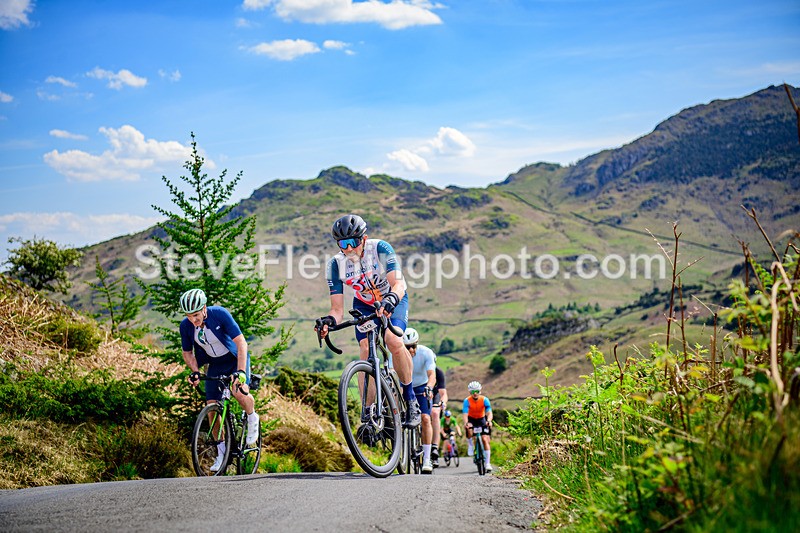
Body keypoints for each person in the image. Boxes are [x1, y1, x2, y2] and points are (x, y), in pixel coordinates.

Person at [315, 214, 421, 429]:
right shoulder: (336, 265)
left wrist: (391, 299)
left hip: (393, 298)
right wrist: (328, 321)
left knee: (392, 340)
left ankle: (411, 401)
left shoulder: (380, 248)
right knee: (365, 349)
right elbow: (337, 310)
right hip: (365, 304)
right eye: (342, 244)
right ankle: (369, 413)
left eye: (352, 242)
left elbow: (398, 284)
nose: (348, 249)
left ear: (364, 239)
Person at [180, 288, 260, 472]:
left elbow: (241, 343)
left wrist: (240, 371)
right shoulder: (186, 326)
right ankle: (221, 451)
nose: (193, 319)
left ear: (204, 308)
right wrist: (195, 371)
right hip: (215, 363)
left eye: (196, 314)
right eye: (189, 316)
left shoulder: (220, 314)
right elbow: (187, 352)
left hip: (234, 359)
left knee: (238, 391)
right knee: (211, 409)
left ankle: (251, 416)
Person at [403, 327, 437, 473]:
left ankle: (427, 458)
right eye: (407, 347)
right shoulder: (396, 354)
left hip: (422, 387)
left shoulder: (426, 353)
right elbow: (391, 374)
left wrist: (429, 387)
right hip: (404, 386)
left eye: (413, 346)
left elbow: (432, 375)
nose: (411, 350)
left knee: (425, 419)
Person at [463, 380, 493, 472]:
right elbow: (465, 413)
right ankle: (470, 445)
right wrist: (466, 423)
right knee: (469, 430)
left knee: (484, 439)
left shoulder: (484, 400)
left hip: (481, 419)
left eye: (477, 391)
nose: (475, 394)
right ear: (470, 392)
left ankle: (487, 463)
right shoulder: (467, 401)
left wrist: (489, 420)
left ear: (480, 391)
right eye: (472, 392)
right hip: (471, 418)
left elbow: (489, 412)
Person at [430, 360, 447, 468]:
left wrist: (443, 403)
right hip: (419, 393)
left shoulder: (438, 372)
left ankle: (434, 448)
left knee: (435, 413)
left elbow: (443, 393)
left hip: (434, 396)